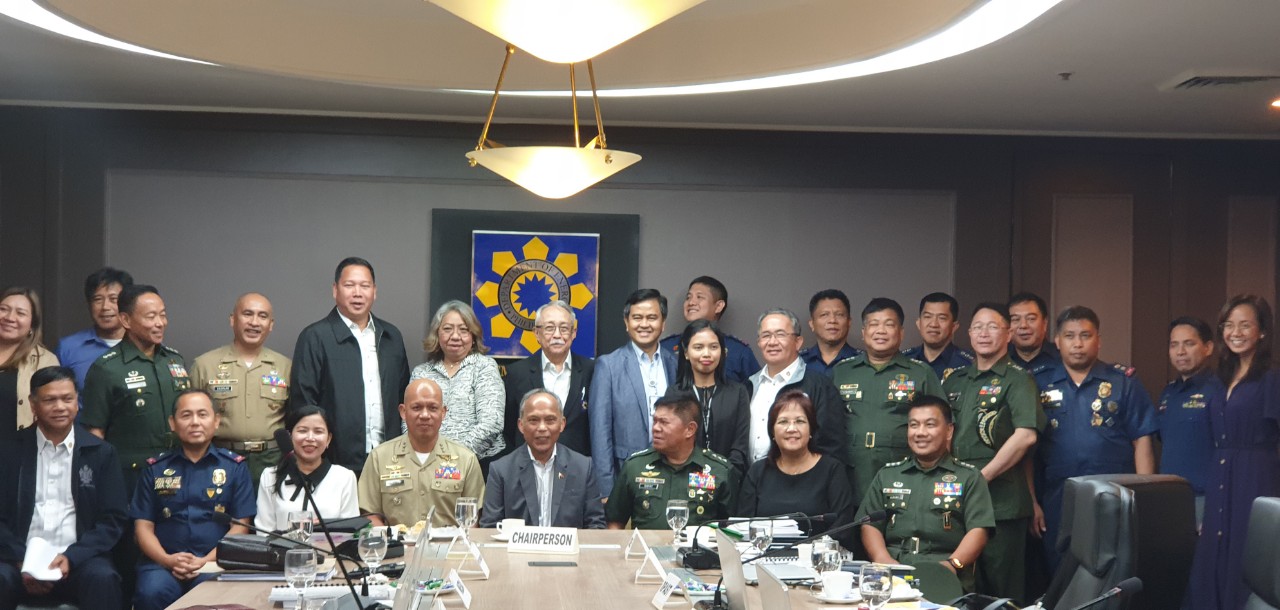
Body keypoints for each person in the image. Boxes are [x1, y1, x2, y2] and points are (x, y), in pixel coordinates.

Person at [1031, 306, 1157, 572]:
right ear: (1057, 340)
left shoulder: (1123, 382)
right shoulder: (1039, 384)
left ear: (1098, 340)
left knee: (1111, 573)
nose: (1077, 344)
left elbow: (1142, 441)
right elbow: (1028, 449)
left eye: (1085, 336)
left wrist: (1146, 497)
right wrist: (1031, 501)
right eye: (1070, 336)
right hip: (1058, 497)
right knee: (1061, 575)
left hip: (1112, 495)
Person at [0, 366, 126, 610]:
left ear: (78, 402)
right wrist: (22, 560)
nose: (60, 407)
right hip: (16, 561)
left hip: (78, 561)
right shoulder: (8, 451)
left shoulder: (100, 453)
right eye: (49, 400)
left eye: (67, 399)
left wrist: (73, 557)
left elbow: (112, 519)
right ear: (33, 405)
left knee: (103, 578)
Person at [942, 303, 1044, 603]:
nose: (983, 333)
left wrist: (979, 478)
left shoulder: (1018, 379)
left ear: (1008, 334)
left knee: (1002, 593)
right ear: (968, 333)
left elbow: (1025, 436)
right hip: (958, 502)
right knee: (963, 589)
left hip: (1002, 504)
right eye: (977, 327)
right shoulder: (955, 380)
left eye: (993, 326)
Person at [1189, 295, 1280, 610]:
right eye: (1228, 325)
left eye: (1245, 325)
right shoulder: (1219, 380)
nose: (1235, 332)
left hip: (1256, 479)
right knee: (1214, 554)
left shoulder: (1271, 379)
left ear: (1262, 332)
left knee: (1247, 555)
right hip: (1221, 477)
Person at [857, 395, 995, 599]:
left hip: (946, 573)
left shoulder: (969, 477)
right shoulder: (888, 475)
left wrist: (952, 564)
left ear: (949, 431)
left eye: (930, 425)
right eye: (914, 425)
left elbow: (979, 530)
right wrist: (882, 559)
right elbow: (869, 524)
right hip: (893, 572)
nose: (920, 433)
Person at [130, 389, 255, 610]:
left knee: (210, 594)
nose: (195, 422)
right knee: (152, 592)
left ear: (216, 421)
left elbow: (241, 527)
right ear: (173, 422)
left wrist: (205, 560)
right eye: (186, 415)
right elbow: (143, 527)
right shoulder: (155, 468)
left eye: (202, 415)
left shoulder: (234, 467)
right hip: (162, 564)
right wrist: (167, 560)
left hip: (216, 563)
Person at [290, 257, 411, 473]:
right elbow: (303, 405)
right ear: (335, 290)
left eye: (365, 286)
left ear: (374, 291)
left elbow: (403, 397)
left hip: (390, 462)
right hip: (334, 463)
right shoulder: (315, 336)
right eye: (349, 285)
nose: (357, 293)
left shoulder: (391, 336)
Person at [831, 298, 943, 508]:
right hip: (850, 472)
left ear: (901, 332)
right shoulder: (842, 372)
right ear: (863, 332)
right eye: (874, 324)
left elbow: (942, 425)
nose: (880, 331)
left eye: (889, 324)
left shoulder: (920, 372)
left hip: (904, 471)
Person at [81, 284, 191, 490]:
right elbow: (95, 433)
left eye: (163, 315)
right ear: (126, 320)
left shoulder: (174, 361)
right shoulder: (106, 368)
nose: (160, 323)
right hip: (132, 475)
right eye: (151, 317)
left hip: (178, 467)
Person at [191, 292, 292, 486]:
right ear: (232, 319)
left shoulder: (285, 367)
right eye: (247, 314)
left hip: (272, 462)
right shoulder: (204, 365)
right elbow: (187, 420)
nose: (254, 322)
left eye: (262, 316)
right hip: (220, 459)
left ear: (271, 324)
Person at [358, 379, 485, 528]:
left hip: (449, 548)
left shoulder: (466, 459)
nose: (425, 415)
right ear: (403, 412)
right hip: (399, 548)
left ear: (443, 412)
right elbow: (370, 515)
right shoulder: (379, 457)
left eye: (432, 408)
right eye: (417, 407)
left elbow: (472, 519)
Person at [738, 389, 854, 547]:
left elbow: (842, 529)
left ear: (811, 429)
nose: (791, 428)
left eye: (800, 421)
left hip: (816, 562)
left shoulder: (832, 470)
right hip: (762, 561)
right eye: (783, 422)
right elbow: (742, 528)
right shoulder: (758, 471)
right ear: (772, 431)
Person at [589, 289, 677, 496]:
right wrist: (606, 490)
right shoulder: (608, 365)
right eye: (637, 317)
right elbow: (600, 433)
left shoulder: (675, 364)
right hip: (624, 475)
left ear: (663, 323)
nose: (644, 324)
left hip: (671, 473)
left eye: (652, 318)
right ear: (627, 323)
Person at [606, 394, 736, 529]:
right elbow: (614, 522)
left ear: (690, 429)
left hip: (697, 549)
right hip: (646, 549)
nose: (655, 428)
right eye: (655, 421)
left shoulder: (720, 471)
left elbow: (732, 530)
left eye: (664, 422)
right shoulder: (635, 466)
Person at [480, 389, 606, 529]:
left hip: (567, 551)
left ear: (562, 424)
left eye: (550, 420)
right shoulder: (501, 470)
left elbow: (595, 525)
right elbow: (489, 527)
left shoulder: (583, 467)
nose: (542, 428)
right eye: (533, 420)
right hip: (518, 551)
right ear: (521, 425)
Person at [746, 308, 846, 465]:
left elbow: (831, 446)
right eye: (766, 336)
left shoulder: (819, 386)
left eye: (780, 335)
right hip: (753, 482)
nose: (772, 342)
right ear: (759, 342)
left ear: (798, 342)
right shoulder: (749, 385)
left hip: (802, 483)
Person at [411, 300, 506, 465]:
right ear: (437, 334)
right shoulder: (421, 373)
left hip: (478, 463)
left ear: (473, 336)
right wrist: (426, 456)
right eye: (447, 329)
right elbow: (410, 422)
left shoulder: (484, 367)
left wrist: (451, 458)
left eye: (463, 330)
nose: (455, 336)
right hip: (427, 463)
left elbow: (492, 423)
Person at [501, 300, 595, 457]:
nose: (557, 335)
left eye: (564, 328)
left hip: (578, 469)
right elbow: (508, 428)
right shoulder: (516, 373)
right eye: (550, 328)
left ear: (574, 333)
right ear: (537, 333)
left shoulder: (591, 371)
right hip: (528, 467)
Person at [664, 319, 751, 475]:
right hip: (684, 482)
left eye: (713, 347)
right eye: (698, 347)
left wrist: (724, 478)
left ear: (723, 352)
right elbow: (672, 444)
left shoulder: (738, 392)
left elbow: (740, 446)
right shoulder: (674, 394)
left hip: (729, 483)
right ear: (686, 353)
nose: (707, 354)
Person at [1158, 316, 1222, 523]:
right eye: (1174, 345)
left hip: (1205, 499)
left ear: (1208, 347)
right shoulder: (1169, 392)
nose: (1180, 352)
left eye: (1189, 344)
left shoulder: (1219, 390)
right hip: (1168, 498)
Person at [255, 405, 359, 533]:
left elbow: (350, 533)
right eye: (302, 431)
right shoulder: (270, 476)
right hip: (280, 552)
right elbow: (263, 533)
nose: (310, 438)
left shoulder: (344, 477)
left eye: (318, 431)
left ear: (328, 439)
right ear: (289, 436)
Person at [658, 276, 759, 384]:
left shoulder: (738, 352)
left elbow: (756, 392)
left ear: (718, 306)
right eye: (688, 297)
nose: (691, 302)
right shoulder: (666, 347)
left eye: (699, 297)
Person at [54, 267, 133, 393]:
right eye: (97, 300)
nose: (105, 307)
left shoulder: (144, 345)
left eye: (113, 299)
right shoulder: (68, 348)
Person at [0, 286, 59, 441]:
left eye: (20, 313)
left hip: (19, 454)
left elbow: (54, 412)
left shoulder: (45, 361)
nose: (9, 317)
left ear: (32, 325)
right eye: (3, 309)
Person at [903, 292, 975, 381]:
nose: (933, 324)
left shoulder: (970, 364)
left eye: (942, 318)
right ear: (918, 323)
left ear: (954, 327)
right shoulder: (903, 361)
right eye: (927, 317)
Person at [799, 289, 862, 377]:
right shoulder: (798, 362)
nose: (832, 320)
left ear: (849, 322)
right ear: (812, 324)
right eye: (824, 315)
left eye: (839, 314)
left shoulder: (862, 361)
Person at [1007, 292, 1060, 376]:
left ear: (1045, 323)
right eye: (1016, 319)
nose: (1023, 325)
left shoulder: (1062, 358)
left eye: (1031, 319)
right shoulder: (999, 359)